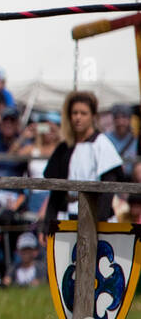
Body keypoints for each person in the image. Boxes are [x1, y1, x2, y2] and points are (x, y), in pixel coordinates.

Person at [41, 90, 125, 235]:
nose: (78, 118)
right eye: (75, 113)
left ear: (92, 116)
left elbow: (107, 190)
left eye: (83, 113)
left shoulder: (101, 145)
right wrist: (48, 223)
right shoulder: (64, 148)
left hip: (95, 216)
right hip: (67, 216)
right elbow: (56, 191)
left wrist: (98, 224)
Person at [105, 103, 137, 177]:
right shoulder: (105, 138)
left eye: (124, 117)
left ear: (129, 119)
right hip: (111, 176)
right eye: (117, 118)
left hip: (131, 178)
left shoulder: (136, 140)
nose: (120, 122)